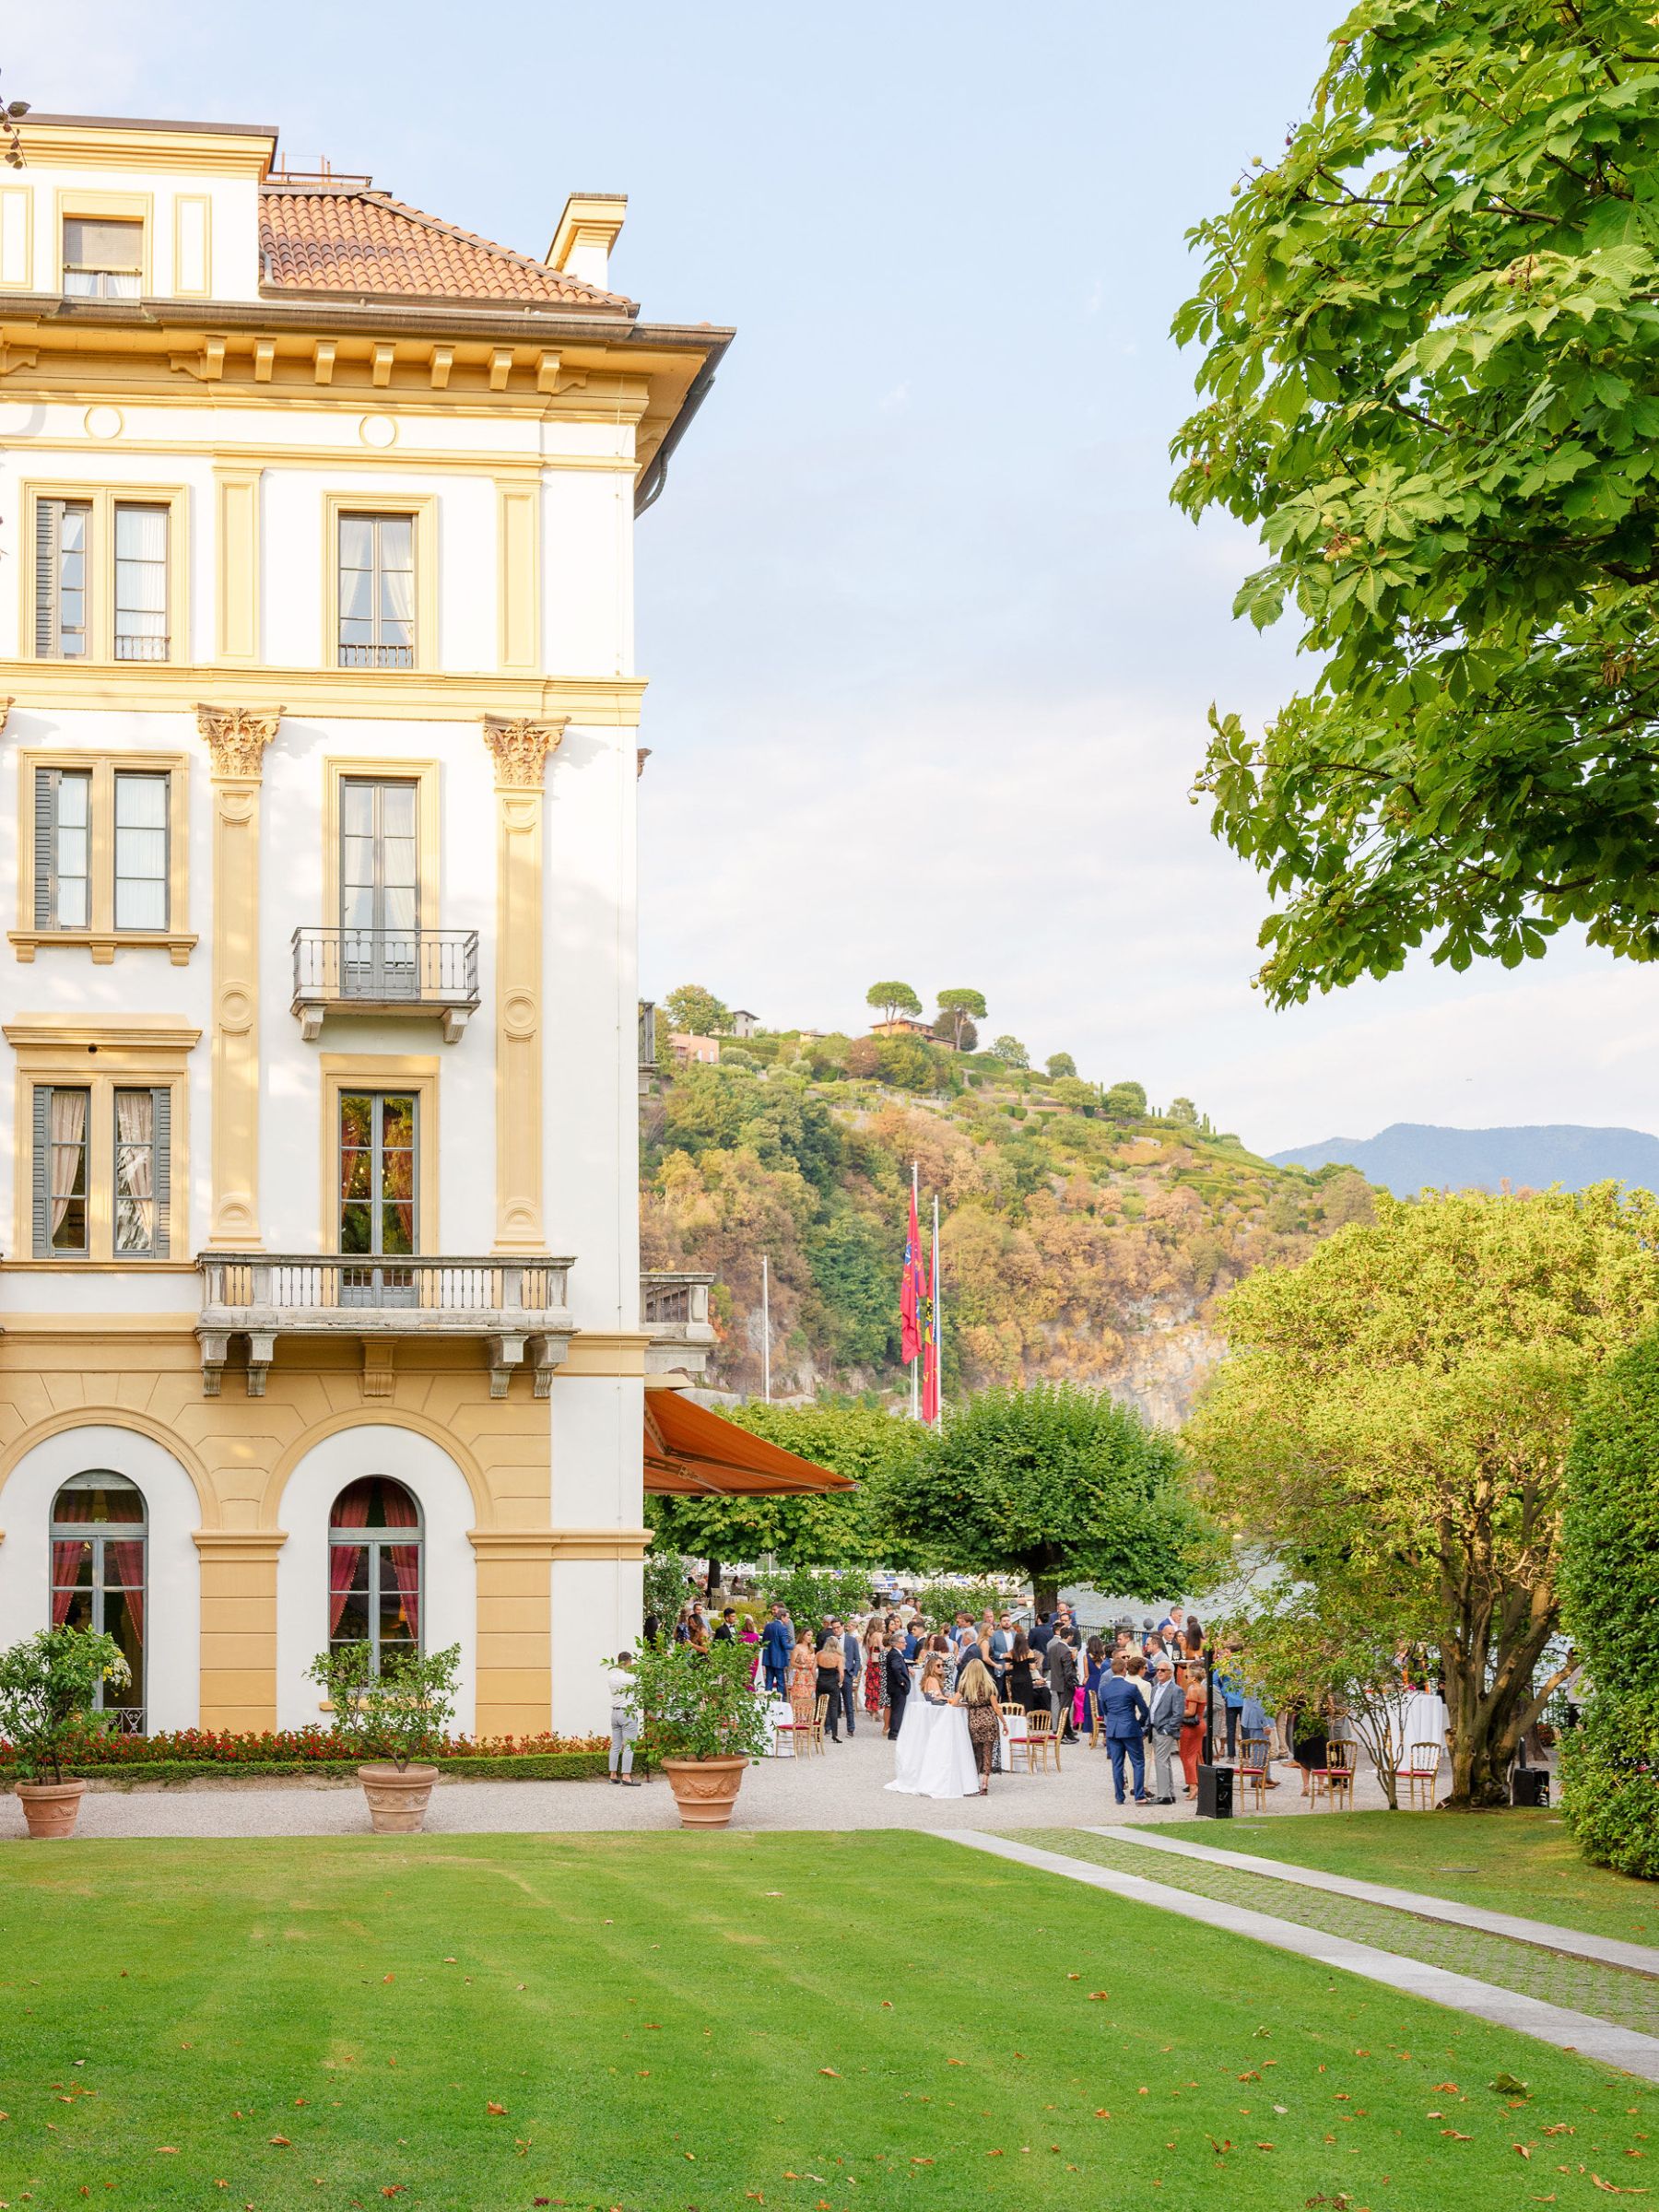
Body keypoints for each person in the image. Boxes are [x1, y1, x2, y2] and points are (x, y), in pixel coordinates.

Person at [1099, 1655, 1151, 1805]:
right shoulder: (1131, 1688)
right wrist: (1139, 1724)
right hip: (1130, 1727)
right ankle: (1139, 1795)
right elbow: (1144, 1710)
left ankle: (1119, 1796)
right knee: (1138, 1762)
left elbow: (1105, 1710)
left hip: (1113, 1729)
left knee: (1117, 1764)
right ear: (1124, 1670)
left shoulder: (1105, 1689)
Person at [956, 1654, 1002, 1794]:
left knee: (976, 1752)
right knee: (987, 1752)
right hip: (989, 1720)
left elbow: (954, 1702)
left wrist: (968, 1705)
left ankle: (973, 1781)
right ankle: (985, 1784)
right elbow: (996, 1707)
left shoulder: (965, 1685)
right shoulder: (989, 1685)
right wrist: (1004, 1723)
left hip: (975, 1721)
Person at [1146, 1656, 1183, 1803]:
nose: (1159, 1672)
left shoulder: (1176, 1690)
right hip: (1154, 1728)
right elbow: (1152, 1708)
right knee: (1164, 1761)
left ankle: (1164, 1796)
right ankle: (1169, 1793)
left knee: (1160, 1761)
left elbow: (1178, 1713)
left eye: (1163, 1670)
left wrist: (1168, 1729)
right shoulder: (1155, 1688)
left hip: (1164, 1730)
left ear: (1171, 1673)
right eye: (1158, 1670)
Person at [606, 1650, 641, 1787]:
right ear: (628, 1662)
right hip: (627, 1713)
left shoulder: (611, 1677)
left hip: (615, 1713)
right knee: (629, 1746)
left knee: (615, 1746)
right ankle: (626, 1776)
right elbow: (641, 1684)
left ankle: (613, 1775)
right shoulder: (630, 1678)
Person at [1179, 1662, 1207, 1797]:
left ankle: (1193, 1785)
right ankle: (1202, 1782)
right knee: (1196, 1755)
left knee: (1186, 1755)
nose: (1186, 1678)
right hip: (1200, 1723)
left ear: (1194, 1678)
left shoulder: (1193, 1689)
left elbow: (1190, 1712)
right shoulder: (1201, 1688)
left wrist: (1176, 1712)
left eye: (1187, 1676)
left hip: (1192, 1726)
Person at [1046, 1630, 1079, 1743]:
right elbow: (1068, 1671)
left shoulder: (1053, 1648)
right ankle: (1062, 1735)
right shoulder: (1065, 1651)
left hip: (1056, 1681)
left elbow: (1050, 1664)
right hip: (1065, 1684)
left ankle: (1068, 1733)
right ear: (1069, 1636)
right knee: (1064, 1709)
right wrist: (1073, 1683)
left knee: (1063, 1708)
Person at [815, 1621, 846, 1743]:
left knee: (819, 1707)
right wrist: (840, 1682)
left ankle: (818, 1733)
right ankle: (835, 1734)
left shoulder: (819, 1654)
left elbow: (813, 1670)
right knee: (833, 1708)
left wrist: (815, 1680)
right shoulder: (838, 1657)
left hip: (821, 1681)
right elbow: (842, 1673)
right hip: (833, 1683)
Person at [787, 1627, 818, 1731]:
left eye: (811, 1636)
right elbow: (792, 1662)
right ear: (803, 1635)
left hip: (810, 1677)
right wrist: (803, 1666)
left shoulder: (811, 1648)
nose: (810, 1637)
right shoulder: (798, 1647)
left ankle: (807, 1725)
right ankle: (798, 1724)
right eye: (808, 1635)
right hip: (801, 1676)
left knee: (809, 1699)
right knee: (800, 1698)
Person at [759, 1604, 794, 1697]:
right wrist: (795, 1646)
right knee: (780, 1682)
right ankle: (780, 1702)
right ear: (782, 1617)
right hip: (779, 1659)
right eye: (787, 1618)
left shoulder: (768, 1626)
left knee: (769, 1681)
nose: (788, 1620)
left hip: (768, 1658)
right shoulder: (782, 1628)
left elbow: (763, 1642)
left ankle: (767, 1701)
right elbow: (784, 1645)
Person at [1006, 1632, 1044, 1714]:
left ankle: (1017, 1718)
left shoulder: (1010, 1652)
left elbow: (1007, 1667)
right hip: (1026, 1679)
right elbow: (1032, 1667)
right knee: (1027, 1701)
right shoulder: (1029, 1652)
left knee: (1017, 1702)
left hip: (1015, 1679)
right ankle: (1027, 1720)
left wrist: (1016, 1666)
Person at [884, 1635, 912, 1740]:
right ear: (896, 1643)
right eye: (903, 1642)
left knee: (896, 1709)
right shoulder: (895, 1654)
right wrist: (901, 1681)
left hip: (894, 1686)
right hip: (897, 1687)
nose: (905, 1643)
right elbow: (895, 1667)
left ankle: (895, 1731)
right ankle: (894, 1733)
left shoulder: (895, 1653)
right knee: (898, 1710)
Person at [839, 1616, 863, 1737]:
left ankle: (851, 1728)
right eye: (834, 1628)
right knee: (832, 1701)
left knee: (848, 1702)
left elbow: (857, 1658)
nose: (836, 1630)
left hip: (847, 1673)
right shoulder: (830, 1639)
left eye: (838, 1627)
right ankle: (829, 1728)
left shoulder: (851, 1640)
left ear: (843, 1627)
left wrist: (854, 1673)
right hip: (833, 1674)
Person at [863, 1618, 886, 1721]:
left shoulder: (868, 1635)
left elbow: (868, 1651)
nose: (884, 1625)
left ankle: (871, 1708)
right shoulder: (878, 1634)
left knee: (871, 1685)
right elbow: (881, 1648)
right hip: (878, 1663)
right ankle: (875, 1710)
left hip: (871, 1662)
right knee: (878, 1686)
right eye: (883, 1623)